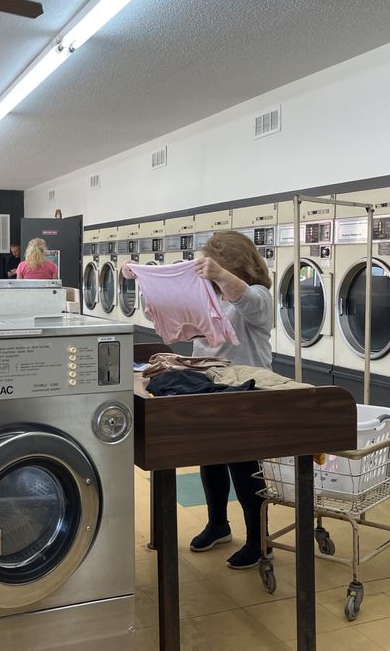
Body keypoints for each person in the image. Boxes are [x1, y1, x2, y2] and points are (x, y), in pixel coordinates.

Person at [123, 230, 273, 569]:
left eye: (221, 268)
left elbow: (249, 302)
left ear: (238, 265)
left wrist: (219, 273)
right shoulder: (210, 294)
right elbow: (169, 309)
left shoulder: (260, 295)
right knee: (211, 458)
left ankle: (259, 541)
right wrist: (142, 278)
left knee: (245, 464)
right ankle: (217, 524)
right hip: (208, 383)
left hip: (247, 388)